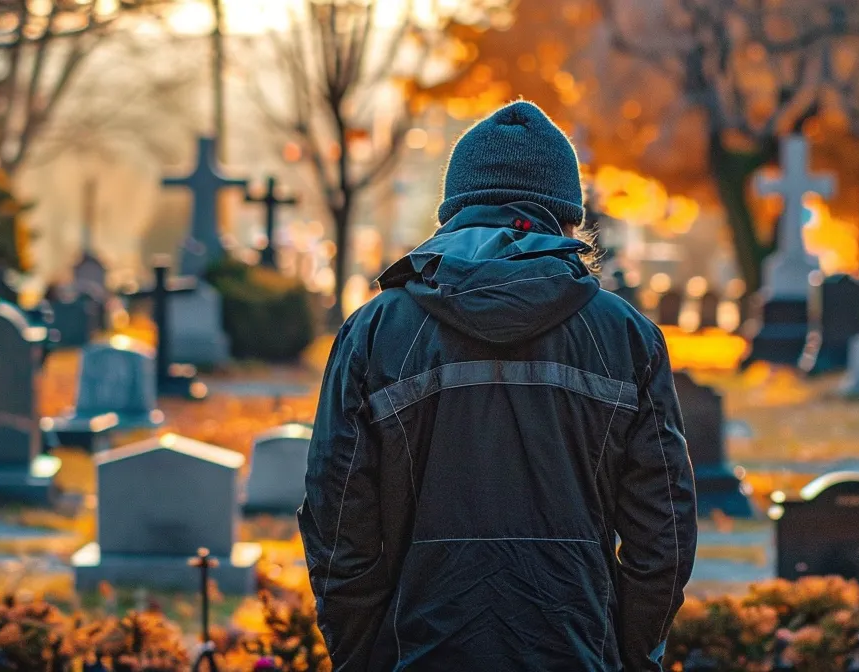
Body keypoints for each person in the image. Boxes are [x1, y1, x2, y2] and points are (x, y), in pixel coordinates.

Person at [299, 100, 698, 671]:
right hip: (577, 650)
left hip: (418, 650)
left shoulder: (376, 332)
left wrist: (364, 656)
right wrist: (628, 655)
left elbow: (337, 526)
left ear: (454, 214)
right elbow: (664, 534)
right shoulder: (625, 337)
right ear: (567, 219)